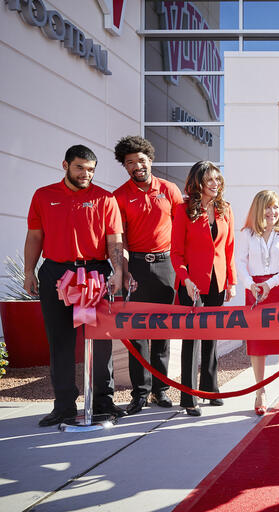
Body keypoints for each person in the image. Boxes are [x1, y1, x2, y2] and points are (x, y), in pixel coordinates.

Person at [24, 145, 127, 426]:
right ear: (65, 165)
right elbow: (35, 236)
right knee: (60, 343)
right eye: (80, 167)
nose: (86, 174)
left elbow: (114, 240)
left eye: (91, 169)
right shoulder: (44, 196)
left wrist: (118, 271)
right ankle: (64, 407)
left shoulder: (104, 198)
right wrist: (28, 271)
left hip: (94, 274)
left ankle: (103, 404)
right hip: (56, 274)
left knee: (100, 343)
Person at [113, 135, 183, 415]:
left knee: (162, 332)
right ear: (125, 166)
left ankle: (160, 390)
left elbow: (182, 231)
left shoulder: (169, 190)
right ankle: (140, 394)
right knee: (138, 333)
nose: (136, 166)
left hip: (166, 265)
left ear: (150, 160)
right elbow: (120, 241)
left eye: (140, 160)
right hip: (137, 266)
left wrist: (181, 269)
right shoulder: (119, 196)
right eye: (130, 162)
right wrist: (125, 272)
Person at [171, 161, 237, 417]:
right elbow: (176, 252)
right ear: (197, 182)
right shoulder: (183, 210)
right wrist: (185, 280)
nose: (215, 184)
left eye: (218, 179)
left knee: (211, 336)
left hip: (217, 283)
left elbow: (228, 248)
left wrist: (231, 280)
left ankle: (210, 388)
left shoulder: (225, 209)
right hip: (191, 285)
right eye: (210, 179)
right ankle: (189, 397)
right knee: (192, 340)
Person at [236, 190, 279, 415]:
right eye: (267, 207)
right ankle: (260, 392)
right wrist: (249, 284)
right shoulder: (247, 234)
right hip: (254, 290)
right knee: (258, 343)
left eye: (276, 207)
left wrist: (270, 283)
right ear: (258, 209)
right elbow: (240, 263)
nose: (272, 212)